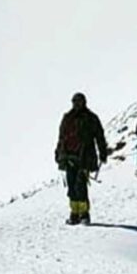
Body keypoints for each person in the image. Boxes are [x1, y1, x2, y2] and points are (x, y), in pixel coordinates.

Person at [54, 92, 108, 226]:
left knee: (81, 186)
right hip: (68, 157)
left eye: (79, 102)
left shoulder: (91, 118)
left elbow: (99, 136)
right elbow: (61, 138)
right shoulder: (67, 118)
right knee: (71, 187)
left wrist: (103, 153)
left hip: (84, 157)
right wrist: (58, 153)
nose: (77, 104)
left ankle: (84, 214)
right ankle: (74, 213)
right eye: (75, 102)